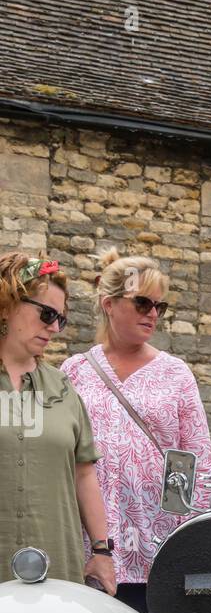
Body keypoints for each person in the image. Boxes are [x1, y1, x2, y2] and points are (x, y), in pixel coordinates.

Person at [63, 250, 211, 613]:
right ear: (109, 304)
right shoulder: (75, 371)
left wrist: (189, 545)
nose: (152, 314)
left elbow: (196, 464)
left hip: (156, 546)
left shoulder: (175, 374)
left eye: (159, 307)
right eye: (143, 302)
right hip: (90, 548)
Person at [0, 252, 115, 592]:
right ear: (7, 304)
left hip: (55, 567)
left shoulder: (63, 388)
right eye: (47, 314)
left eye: (60, 319)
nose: (54, 327)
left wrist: (101, 551)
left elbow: (84, 474)